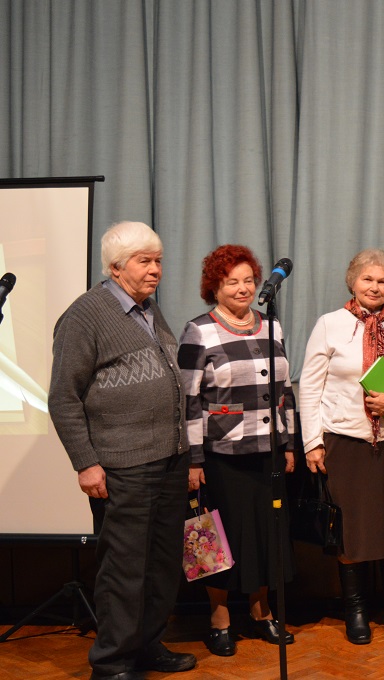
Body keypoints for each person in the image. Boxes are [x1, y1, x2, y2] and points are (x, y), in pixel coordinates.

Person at [49, 221, 196, 680]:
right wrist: (86, 462)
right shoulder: (85, 316)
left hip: (170, 459)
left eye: (158, 261)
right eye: (144, 262)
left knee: (163, 564)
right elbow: (63, 398)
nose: (155, 270)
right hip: (124, 466)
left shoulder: (149, 309)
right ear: (115, 268)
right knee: (124, 568)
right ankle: (112, 662)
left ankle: (147, 646)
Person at [299, 249, 384, 645]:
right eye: (367, 279)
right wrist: (312, 443)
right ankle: (355, 610)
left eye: (382, 281)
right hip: (346, 444)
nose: (375, 287)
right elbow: (310, 387)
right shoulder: (330, 325)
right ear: (352, 282)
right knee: (352, 531)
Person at [177, 244, 297, 657]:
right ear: (215, 287)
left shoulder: (271, 326)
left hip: (269, 452)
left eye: (249, 280)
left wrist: (289, 443)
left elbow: (284, 390)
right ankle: (219, 618)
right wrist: (193, 459)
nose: (243, 288)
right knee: (219, 538)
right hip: (221, 457)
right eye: (233, 282)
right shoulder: (199, 331)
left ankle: (262, 612)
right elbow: (188, 400)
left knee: (266, 535)